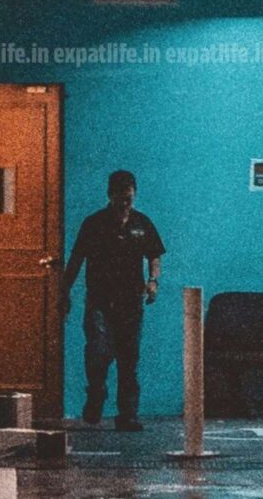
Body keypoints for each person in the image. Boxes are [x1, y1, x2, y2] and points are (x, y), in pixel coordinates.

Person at [60, 170, 165, 432]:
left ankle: (127, 414)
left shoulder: (142, 224)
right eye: (120, 200)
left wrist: (153, 281)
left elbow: (154, 255)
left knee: (129, 360)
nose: (125, 205)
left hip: (131, 302)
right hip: (100, 301)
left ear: (134, 196)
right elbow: (76, 260)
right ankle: (96, 394)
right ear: (110, 196)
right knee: (99, 351)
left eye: (129, 199)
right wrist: (65, 291)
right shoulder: (94, 224)